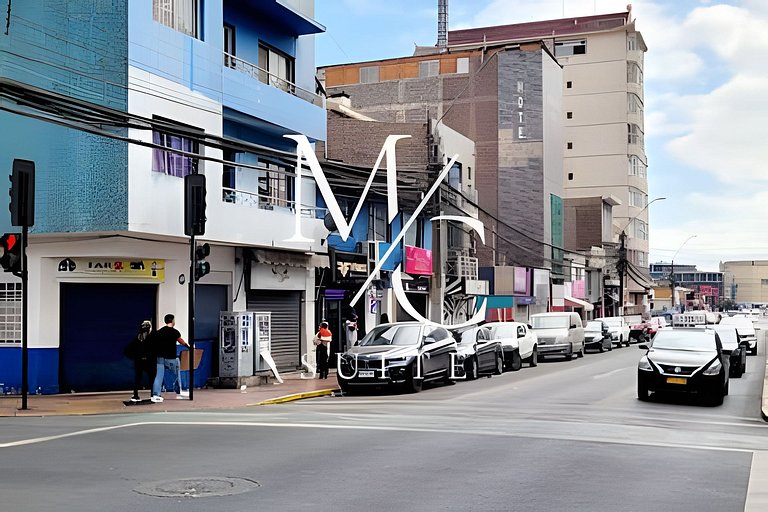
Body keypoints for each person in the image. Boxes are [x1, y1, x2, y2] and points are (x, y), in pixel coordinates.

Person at [150, 314, 189, 403]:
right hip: (171, 358)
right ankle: (178, 390)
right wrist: (188, 346)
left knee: (158, 376)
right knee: (176, 374)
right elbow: (181, 341)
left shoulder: (159, 332)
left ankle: (156, 394)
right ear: (173, 321)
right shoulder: (175, 332)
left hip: (160, 357)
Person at [125, 320, 156, 402]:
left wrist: (135, 357)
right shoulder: (152, 337)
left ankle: (135, 395)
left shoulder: (137, 338)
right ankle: (153, 395)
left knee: (138, 378)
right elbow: (155, 350)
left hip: (138, 362)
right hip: (149, 362)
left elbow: (128, 350)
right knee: (152, 378)